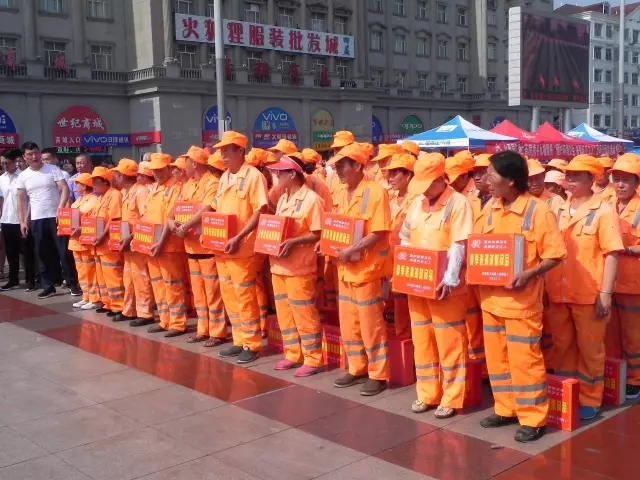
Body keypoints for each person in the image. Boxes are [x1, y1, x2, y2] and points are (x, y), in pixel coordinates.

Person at [475, 151, 566, 443]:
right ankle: (506, 408)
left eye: (492, 175)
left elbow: (555, 254)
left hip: (521, 304)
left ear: (511, 180)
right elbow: (478, 247)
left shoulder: (538, 211)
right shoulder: (490, 207)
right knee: (498, 361)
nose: (486, 179)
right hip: (491, 301)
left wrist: (529, 273)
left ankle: (533, 418)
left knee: (524, 362)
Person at [547, 155, 623, 420]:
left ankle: (590, 398)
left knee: (591, 350)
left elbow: (612, 253)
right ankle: (568, 395)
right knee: (563, 348)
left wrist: (606, 293)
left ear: (591, 179)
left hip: (588, 295)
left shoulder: (603, 210)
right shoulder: (555, 208)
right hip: (558, 293)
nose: (569, 180)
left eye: (576, 176)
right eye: (568, 175)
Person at [399, 152, 473, 418]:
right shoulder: (417, 203)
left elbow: (459, 244)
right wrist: (406, 271)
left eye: (428, 185)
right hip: (417, 283)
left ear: (442, 179)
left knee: (449, 340)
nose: (424, 191)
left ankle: (452, 397)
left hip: (445, 287)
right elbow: (405, 239)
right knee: (422, 339)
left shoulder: (458, 203)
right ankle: (427, 393)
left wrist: (449, 278)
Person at [326, 142, 391, 396]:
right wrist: (328, 244)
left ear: (357, 166)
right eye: (336, 166)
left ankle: (378, 374)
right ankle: (357, 367)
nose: (338, 171)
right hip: (345, 269)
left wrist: (352, 249)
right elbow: (337, 227)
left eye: (342, 166)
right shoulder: (342, 193)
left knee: (370, 324)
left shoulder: (375, 192)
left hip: (366, 270)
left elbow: (379, 231)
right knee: (349, 324)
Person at [211, 131, 269, 364]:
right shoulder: (225, 177)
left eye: (227, 151)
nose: (223, 156)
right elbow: (216, 208)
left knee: (244, 295)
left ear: (240, 151)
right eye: (221, 151)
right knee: (229, 295)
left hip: (242, 247)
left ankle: (252, 343)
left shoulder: (254, 176)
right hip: (222, 248)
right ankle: (239, 339)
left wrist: (239, 236)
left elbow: (260, 210)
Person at [267, 155, 325, 377]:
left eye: (280, 172)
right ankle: (292, 354)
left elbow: (319, 233)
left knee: (303, 313)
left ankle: (313, 358)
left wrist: (294, 241)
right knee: (285, 313)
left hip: (299, 267)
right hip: (279, 266)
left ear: (292, 174)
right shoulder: (283, 198)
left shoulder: (311, 200)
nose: (276, 176)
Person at [168, 146, 227, 346]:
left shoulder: (212, 183)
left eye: (186, 162)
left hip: (207, 247)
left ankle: (217, 332)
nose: (183, 167)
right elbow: (175, 209)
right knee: (199, 293)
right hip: (191, 247)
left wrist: (185, 226)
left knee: (212, 292)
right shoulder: (189, 184)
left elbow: (207, 208)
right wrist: (171, 222)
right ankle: (203, 330)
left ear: (194, 163)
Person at [16, 142, 79, 299]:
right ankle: (48, 286)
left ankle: (72, 283)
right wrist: (23, 221)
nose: (34, 157)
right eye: (30, 154)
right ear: (24, 157)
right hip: (37, 219)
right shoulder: (23, 176)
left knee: (64, 252)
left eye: (36, 153)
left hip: (56, 217)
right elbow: (21, 200)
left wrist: (60, 208)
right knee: (42, 253)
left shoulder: (52, 170)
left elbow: (64, 188)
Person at [605, 154, 640, 400]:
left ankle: (635, 379)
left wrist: (625, 249)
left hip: (633, 283)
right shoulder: (606, 202)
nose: (620, 184)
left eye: (626, 180)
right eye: (616, 179)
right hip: (610, 281)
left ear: (636, 182)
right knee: (610, 334)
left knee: (633, 334)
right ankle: (615, 374)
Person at [143, 153, 188, 337]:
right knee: (158, 284)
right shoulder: (154, 188)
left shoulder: (176, 188)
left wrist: (161, 243)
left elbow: (170, 219)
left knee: (172, 284)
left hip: (168, 245)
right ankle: (165, 320)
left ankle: (177, 323)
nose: (157, 173)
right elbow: (147, 216)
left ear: (169, 168)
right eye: (154, 170)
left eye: (161, 170)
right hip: (151, 245)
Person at [110, 158, 154, 325]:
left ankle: (145, 313)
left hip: (137, 241)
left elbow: (145, 217)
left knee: (141, 277)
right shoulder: (126, 192)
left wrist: (132, 236)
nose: (114, 178)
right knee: (128, 277)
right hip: (128, 243)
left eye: (116, 175)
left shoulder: (140, 191)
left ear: (122, 175)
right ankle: (129, 310)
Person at [382, 153, 417, 338]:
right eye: (390, 173)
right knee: (395, 300)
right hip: (391, 259)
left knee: (406, 302)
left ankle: (406, 337)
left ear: (408, 175)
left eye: (395, 173)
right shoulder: (391, 198)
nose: (390, 178)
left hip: (407, 261)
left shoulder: (417, 201)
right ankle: (399, 335)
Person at [91, 167, 125, 318]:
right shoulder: (101, 197)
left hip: (109, 243)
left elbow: (114, 219)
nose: (94, 185)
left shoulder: (114, 195)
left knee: (113, 275)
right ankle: (108, 302)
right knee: (103, 276)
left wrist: (102, 236)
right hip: (99, 245)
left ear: (106, 182)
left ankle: (118, 305)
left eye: (96, 182)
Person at [0, 149, 36, 290]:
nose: (4, 166)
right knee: (11, 252)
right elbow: (2, 200)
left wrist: (27, 219)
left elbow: (30, 199)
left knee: (26, 252)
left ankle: (30, 280)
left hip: (21, 220)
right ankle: (13, 279)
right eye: (2, 163)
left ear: (15, 162)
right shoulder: (2, 178)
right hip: (6, 220)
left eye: (6, 163)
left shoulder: (24, 176)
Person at [68, 174, 100, 309]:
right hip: (75, 242)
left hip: (85, 241)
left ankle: (94, 298)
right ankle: (86, 296)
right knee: (81, 271)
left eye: (77, 184)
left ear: (84, 186)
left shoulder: (93, 200)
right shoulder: (78, 200)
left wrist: (80, 228)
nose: (75, 186)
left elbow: (92, 221)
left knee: (90, 271)